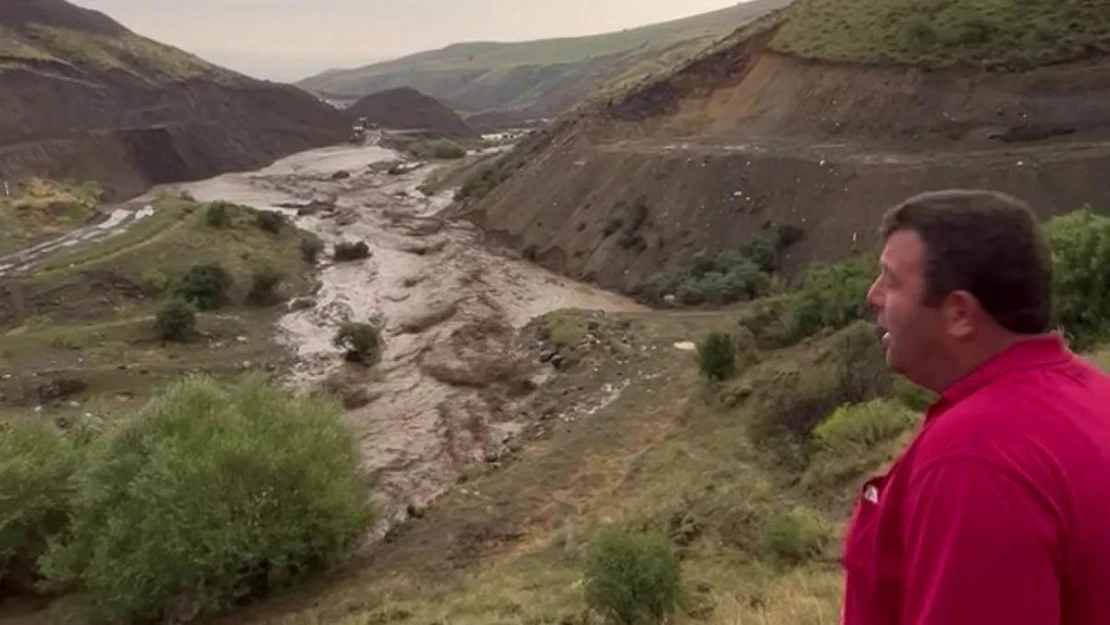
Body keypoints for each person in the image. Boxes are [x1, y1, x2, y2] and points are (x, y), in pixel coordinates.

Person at [843, 189, 1110, 625]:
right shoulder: (1094, 397)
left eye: (891, 281)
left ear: (960, 314)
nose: (873, 295)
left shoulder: (975, 459)